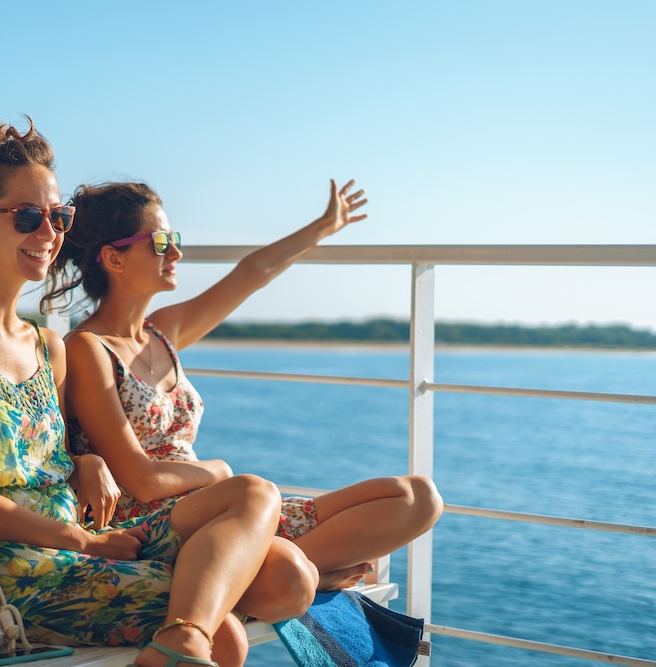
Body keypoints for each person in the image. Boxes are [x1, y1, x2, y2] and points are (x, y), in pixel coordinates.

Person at [0, 115, 317, 667]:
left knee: (252, 493)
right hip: (10, 567)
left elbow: (55, 452)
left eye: (58, 217)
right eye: (28, 218)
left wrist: (84, 458)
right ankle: (186, 634)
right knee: (228, 633)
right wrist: (85, 542)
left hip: (82, 541)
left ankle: (182, 635)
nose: (49, 234)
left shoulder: (49, 344)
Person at [47, 180, 444, 592]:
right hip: (158, 526)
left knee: (417, 497)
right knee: (297, 558)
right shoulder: (86, 348)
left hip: (227, 509)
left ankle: (290, 569)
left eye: (175, 239)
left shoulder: (161, 332)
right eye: (162, 242)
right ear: (114, 257)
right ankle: (296, 572)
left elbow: (252, 274)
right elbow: (142, 481)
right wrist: (218, 470)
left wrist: (324, 226)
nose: (177, 253)